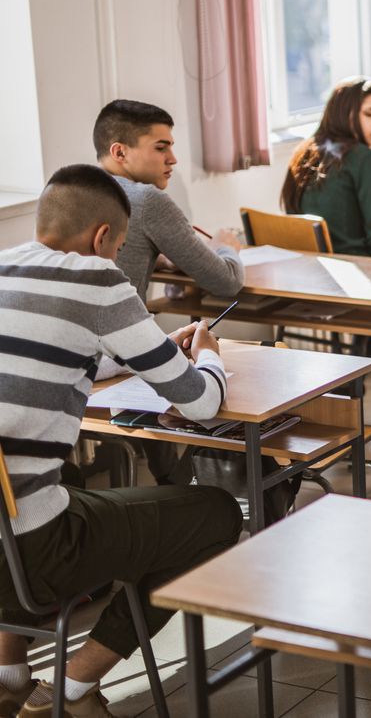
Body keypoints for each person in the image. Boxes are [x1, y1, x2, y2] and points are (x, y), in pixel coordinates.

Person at [0, 165, 243, 718]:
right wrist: (206, 355)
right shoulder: (98, 280)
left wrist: (151, 348)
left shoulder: (6, 264)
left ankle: (9, 675)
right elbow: (202, 402)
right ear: (103, 238)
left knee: (66, 488)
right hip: (38, 549)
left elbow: (63, 349)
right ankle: (72, 687)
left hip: (4, 530)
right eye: (121, 249)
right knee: (214, 513)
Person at [94, 99, 243, 485]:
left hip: (82, 357)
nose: (173, 158)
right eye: (161, 147)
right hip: (118, 355)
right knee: (208, 365)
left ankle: (171, 482)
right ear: (120, 152)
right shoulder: (147, 200)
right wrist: (228, 245)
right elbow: (226, 281)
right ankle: (189, 489)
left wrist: (153, 259)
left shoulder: (71, 189)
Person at [280, 77, 371, 258]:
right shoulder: (366, 160)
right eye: (370, 114)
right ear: (346, 114)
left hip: (310, 267)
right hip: (359, 268)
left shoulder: (303, 152)